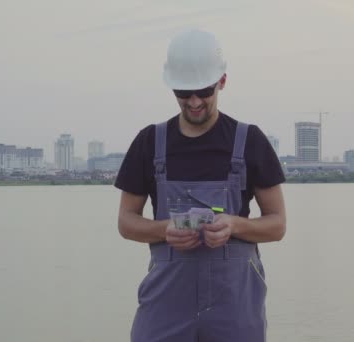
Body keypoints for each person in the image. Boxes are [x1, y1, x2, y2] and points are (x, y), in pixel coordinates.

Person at [115, 29, 287, 342]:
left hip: (234, 308)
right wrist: (164, 230)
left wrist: (233, 225)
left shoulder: (250, 141)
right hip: (166, 305)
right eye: (183, 92)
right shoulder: (149, 142)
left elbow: (277, 225)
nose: (194, 102)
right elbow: (126, 222)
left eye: (204, 91)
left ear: (222, 81)